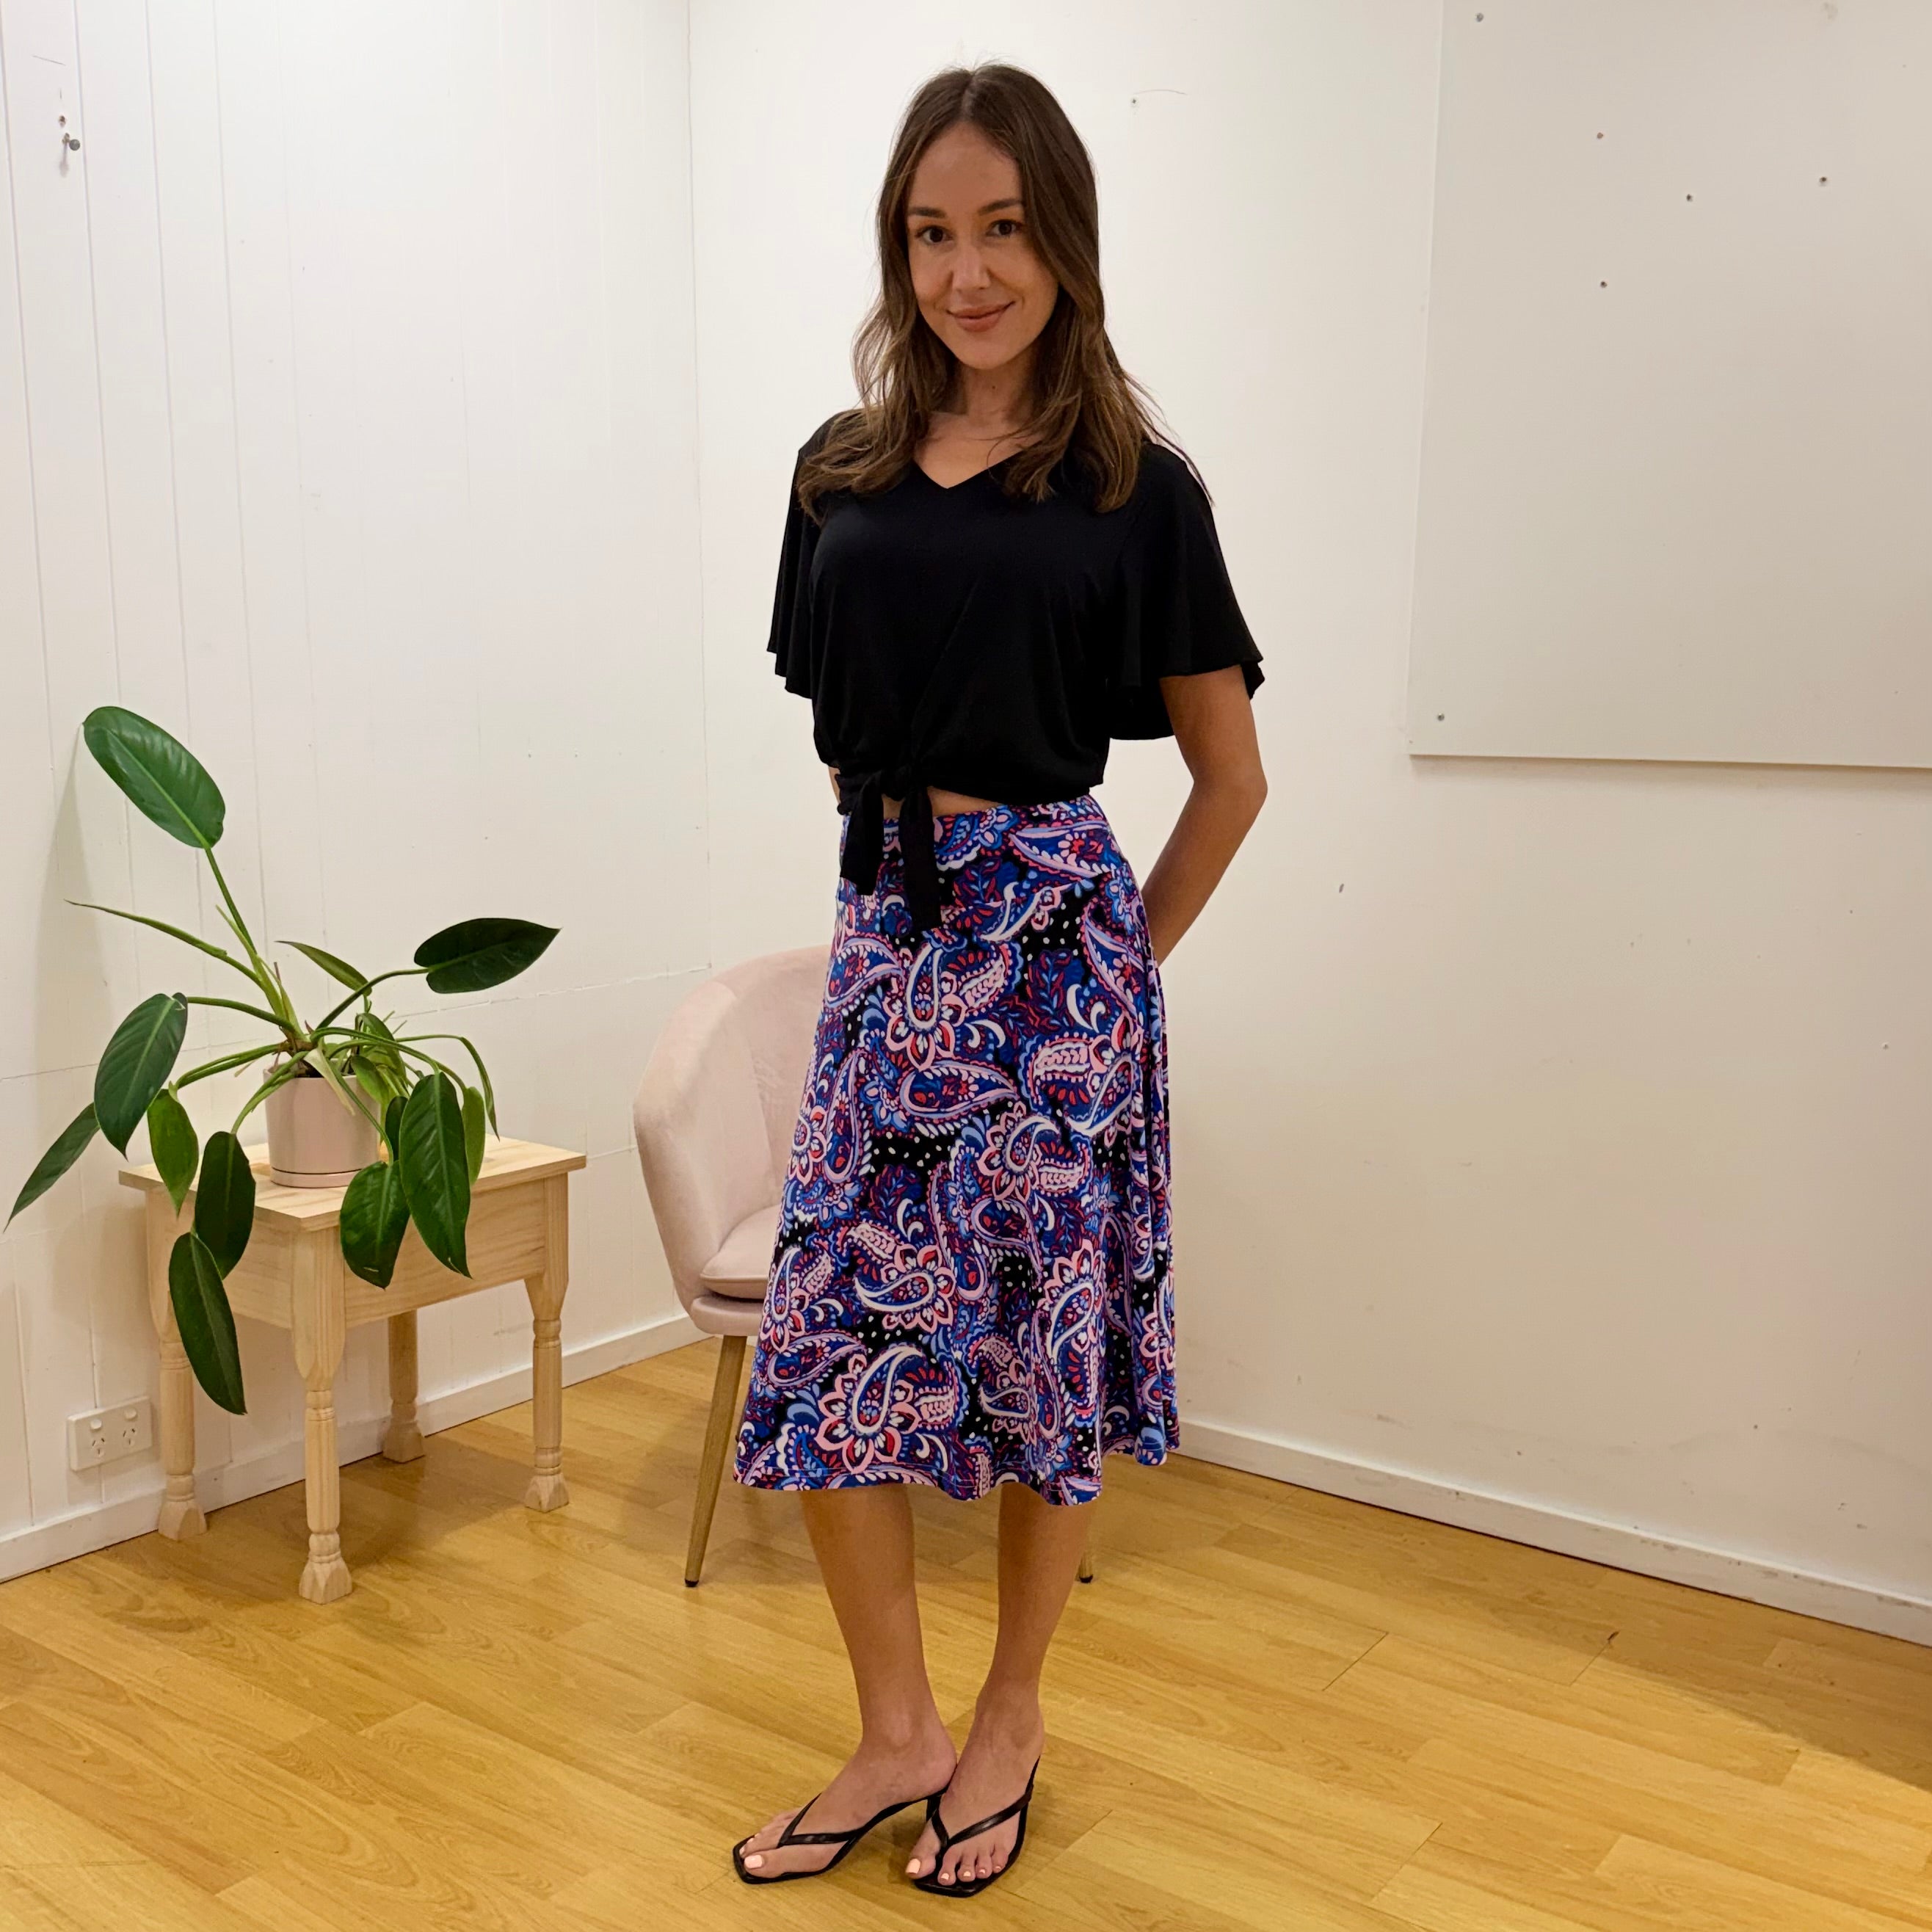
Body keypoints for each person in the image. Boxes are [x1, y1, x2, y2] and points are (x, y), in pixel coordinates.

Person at [729, 60, 1268, 1898]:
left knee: (1040, 1359)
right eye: (930, 233)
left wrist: (1105, 966)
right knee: (824, 1346)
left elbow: (1229, 778)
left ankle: (1011, 1708)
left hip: (1050, 952)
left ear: (1063, 242)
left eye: (1002, 232)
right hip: (887, 931)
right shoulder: (840, 471)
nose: (966, 272)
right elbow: (840, 726)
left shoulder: (1134, 486)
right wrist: (904, 894)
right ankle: (894, 1727)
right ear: (900, 250)